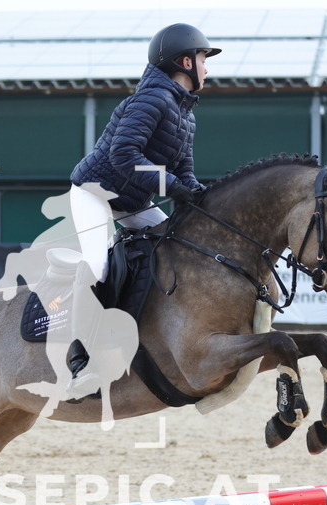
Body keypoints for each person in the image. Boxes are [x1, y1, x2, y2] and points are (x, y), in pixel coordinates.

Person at [62, 23, 221, 398]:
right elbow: (123, 155)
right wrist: (170, 186)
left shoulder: (187, 115)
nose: (207, 68)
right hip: (95, 194)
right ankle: (80, 359)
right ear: (185, 62)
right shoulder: (152, 100)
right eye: (203, 59)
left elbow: (184, 172)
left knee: (179, 248)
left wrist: (200, 195)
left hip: (133, 202)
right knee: (99, 267)